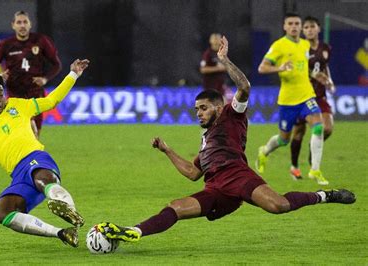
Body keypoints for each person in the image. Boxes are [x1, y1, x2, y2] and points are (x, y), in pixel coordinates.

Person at [96, 37, 355, 245]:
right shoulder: (206, 141)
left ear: (218, 108)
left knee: (279, 205)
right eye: (197, 109)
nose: (198, 113)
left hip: (238, 176)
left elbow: (245, 86)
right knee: (175, 207)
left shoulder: (233, 115)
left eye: (203, 108)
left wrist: (224, 60)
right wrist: (167, 150)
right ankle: (133, 232)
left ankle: (324, 195)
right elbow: (192, 173)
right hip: (216, 188)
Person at [0, 59, 89, 248]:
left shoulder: (18, 105)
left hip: (36, 158)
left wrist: (73, 74)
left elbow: (51, 101)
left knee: (42, 178)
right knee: (2, 212)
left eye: (0, 94)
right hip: (18, 176)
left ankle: (70, 210)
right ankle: (62, 233)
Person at [255, 13, 329, 185]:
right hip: (287, 101)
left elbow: (302, 67)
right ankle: (264, 151)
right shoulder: (279, 45)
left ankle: (315, 170)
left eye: (297, 23)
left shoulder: (304, 44)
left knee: (318, 127)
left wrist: (317, 75)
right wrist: (280, 67)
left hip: (307, 96)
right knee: (284, 140)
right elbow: (262, 68)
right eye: (291, 23)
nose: (294, 26)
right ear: (285, 26)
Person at [0, 10, 62, 138]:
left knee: (35, 133)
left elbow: (57, 65)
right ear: (13, 25)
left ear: (30, 24)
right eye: (19, 22)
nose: (22, 25)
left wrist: (45, 79)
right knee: (22, 132)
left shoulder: (41, 41)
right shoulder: (6, 44)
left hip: (35, 93)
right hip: (15, 95)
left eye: (25, 22)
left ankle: (32, 155)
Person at [289, 16, 335, 180]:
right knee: (298, 133)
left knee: (327, 128)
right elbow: (295, 69)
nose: (309, 29)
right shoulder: (299, 48)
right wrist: (315, 75)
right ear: (303, 31)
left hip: (320, 95)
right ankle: (294, 167)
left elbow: (325, 67)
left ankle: (313, 147)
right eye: (306, 27)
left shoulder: (325, 48)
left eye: (312, 26)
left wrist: (329, 81)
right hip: (303, 96)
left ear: (318, 28)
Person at [200, 33, 230, 101]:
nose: (216, 41)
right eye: (214, 39)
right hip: (210, 87)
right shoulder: (207, 54)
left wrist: (226, 66)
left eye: (218, 39)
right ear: (211, 41)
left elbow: (228, 66)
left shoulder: (222, 53)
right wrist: (218, 68)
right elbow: (203, 69)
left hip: (220, 86)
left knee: (224, 104)